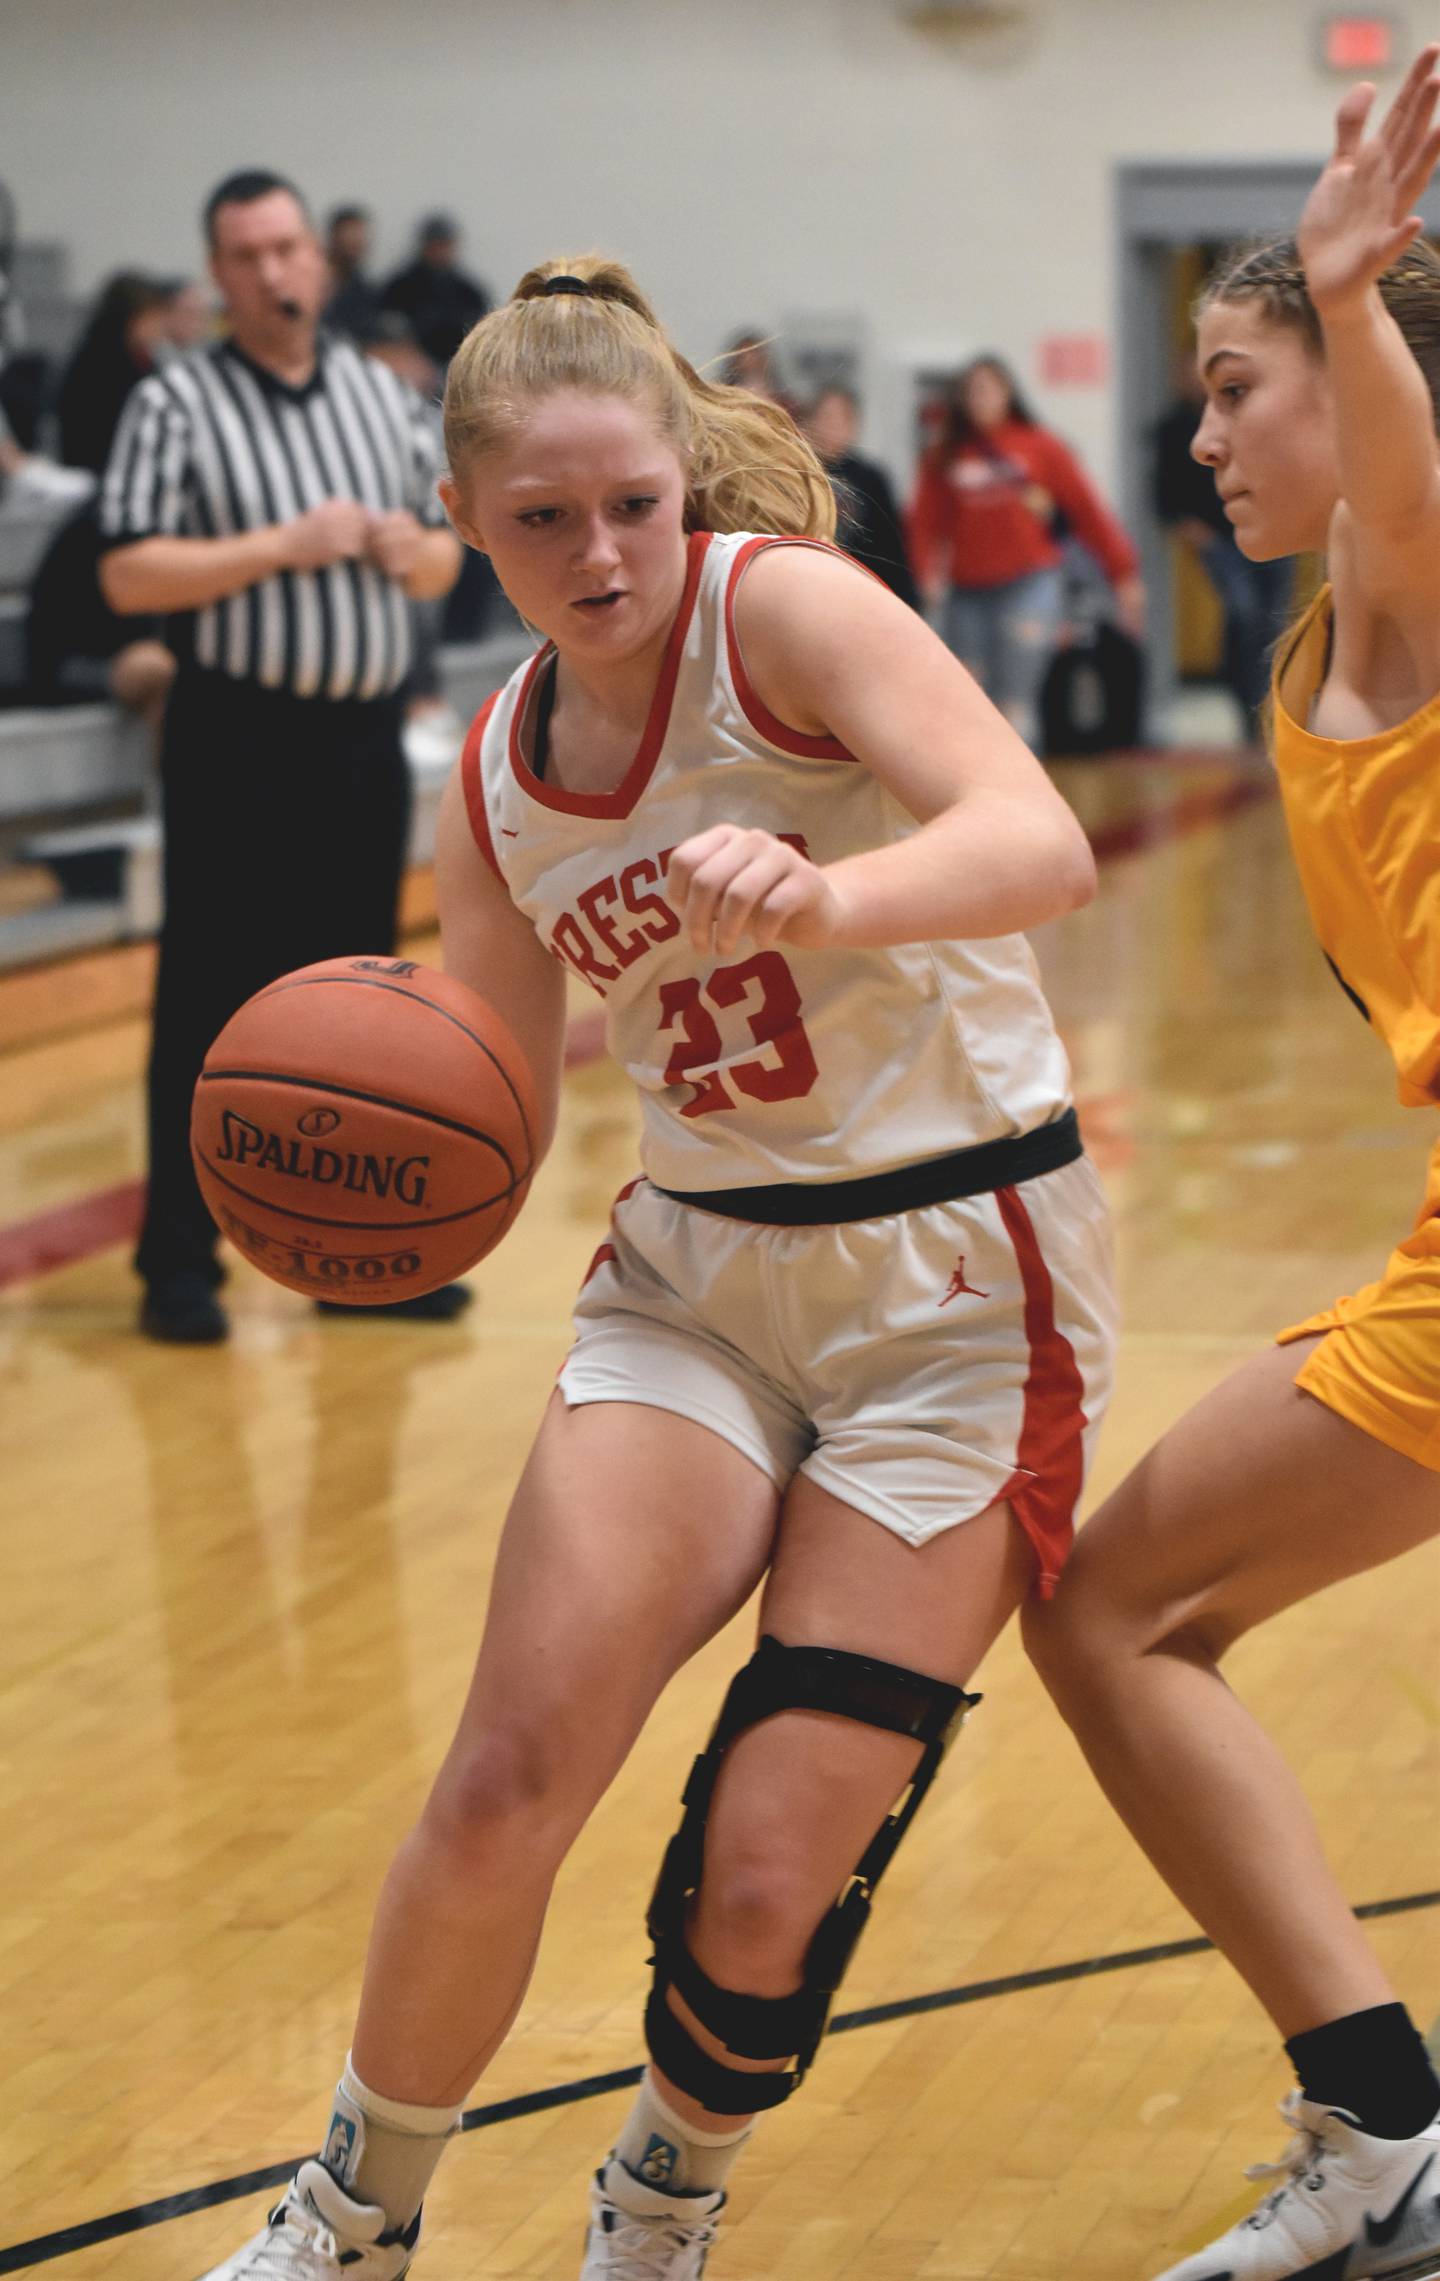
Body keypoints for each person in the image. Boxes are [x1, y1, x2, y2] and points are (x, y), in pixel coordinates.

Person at [194, 255, 1116, 2281]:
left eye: (633, 502)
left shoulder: (781, 611)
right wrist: (331, 1176)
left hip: (965, 1292)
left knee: (768, 1877)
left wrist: (828, 885)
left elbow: (1040, 838)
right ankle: (352, 2216)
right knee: (514, 1760)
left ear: (682, 483)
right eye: (542, 520)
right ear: (469, 528)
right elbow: (495, 1101)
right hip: (698, 1285)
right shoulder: (500, 768)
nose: (599, 550)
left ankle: (662, 2195)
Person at [1024, 50, 1440, 2281]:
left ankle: (1382, 2142)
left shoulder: (1400, 599)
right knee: (1121, 1609)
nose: (1199, 438)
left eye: (1234, 387)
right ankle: (1382, 2138)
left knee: (1112, 1608)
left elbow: (1403, 503)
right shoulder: (1332, 647)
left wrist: (1356, 306)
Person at [98, 167, 463, 1345]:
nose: (272, 272)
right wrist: (280, 545)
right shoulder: (177, 402)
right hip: (234, 733)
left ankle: (351, 1258)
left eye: (288, 249)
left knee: (353, 1014)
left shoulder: (381, 397)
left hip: (360, 744)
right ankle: (177, 1261)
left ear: (320, 260)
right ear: (218, 274)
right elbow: (127, 572)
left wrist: (416, 553)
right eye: (246, 255)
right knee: (208, 998)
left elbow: (447, 566)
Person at [908, 352, 1145, 745]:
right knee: (969, 698)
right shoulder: (945, 454)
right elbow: (924, 524)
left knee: (1016, 695)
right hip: (968, 592)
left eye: (989, 389)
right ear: (961, 400)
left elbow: (1088, 512)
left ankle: (1023, 792)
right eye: (972, 391)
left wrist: (1124, 573)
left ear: (1008, 393)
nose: (981, 398)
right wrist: (926, 575)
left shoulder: (1041, 446)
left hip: (1029, 583)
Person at [1151, 352, 1293, 740]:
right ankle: (1245, 704)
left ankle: (1269, 705)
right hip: (1219, 539)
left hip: (1270, 528)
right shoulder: (1175, 426)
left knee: (1274, 619)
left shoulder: (1255, 418)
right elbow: (1164, 495)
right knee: (1244, 616)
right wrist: (1196, 533)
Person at [806, 384, 920, 609]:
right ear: (810, 421)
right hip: (812, 586)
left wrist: (905, 598)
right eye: (826, 417)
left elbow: (890, 542)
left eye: (842, 419)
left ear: (853, 425)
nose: (833, 426)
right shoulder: (799, 474)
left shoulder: (871, 478)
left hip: (862, 589)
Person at [382, 214, 489, 371]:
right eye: (435, 244)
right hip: (411, 367)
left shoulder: (468, 291)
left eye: (444, 245)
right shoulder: (400, 287)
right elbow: (387, 329)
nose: (440, 251)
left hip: (458, 366)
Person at [325, 204, 384, 344]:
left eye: (361, 235)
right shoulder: (313, 281)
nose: (358, 242)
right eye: (351, 234)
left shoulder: (364, 289)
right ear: (335, 236)